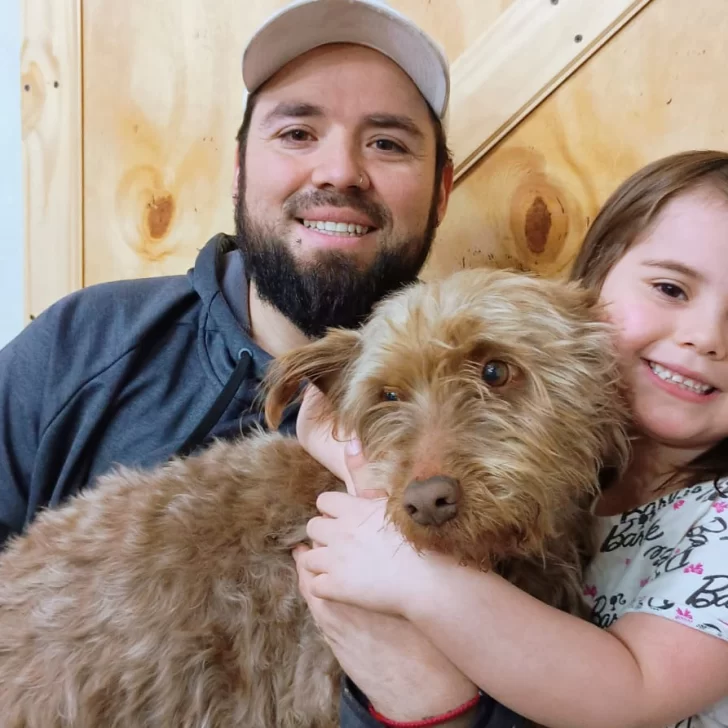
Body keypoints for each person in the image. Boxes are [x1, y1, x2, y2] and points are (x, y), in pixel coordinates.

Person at [0, 1, 529, 726]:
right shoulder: (84, 344)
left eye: (387, 143)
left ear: (440, 190)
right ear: (242, 166)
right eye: (298, 132)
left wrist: (429, 697)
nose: (340, 170)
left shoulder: (508, 404)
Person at [295, 149, 728, 727]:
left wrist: (420, 580)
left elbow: (632, 693)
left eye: (494, 376)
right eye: (671, 289)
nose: (705, 338)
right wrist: (351, 444)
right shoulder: (593, 480)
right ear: (592, 289)